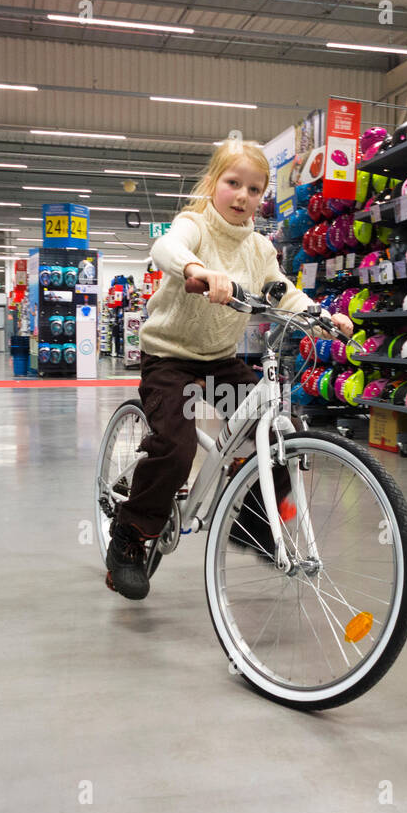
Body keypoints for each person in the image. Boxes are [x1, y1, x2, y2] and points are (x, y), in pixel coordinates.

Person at [105, 139, 353, 600]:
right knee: (176, 448)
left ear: (263, 197)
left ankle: (252, 521)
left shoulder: (259, 247)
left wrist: (321, 314)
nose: (242, 196)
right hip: (169, 357)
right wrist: (199, 270)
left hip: (220, 360)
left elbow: (282, 292)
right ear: (213, 183)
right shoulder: (195, 224)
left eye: (254, 189)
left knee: (280, 430)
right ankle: (130, 535)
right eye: (233, 183)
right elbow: (167, 248)